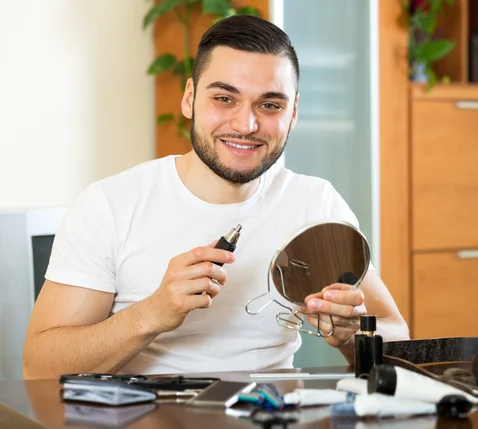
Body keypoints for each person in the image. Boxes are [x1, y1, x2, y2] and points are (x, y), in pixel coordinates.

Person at [22, 15, 409, 379]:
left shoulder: (315, 203)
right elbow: (39, 368)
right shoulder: (110, 205)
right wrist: (152, 314)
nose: (246, 124)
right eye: (224, 98)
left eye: (270, 104)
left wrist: (352, 332)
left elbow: (397, 339)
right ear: (189, 99)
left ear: (292, 115)